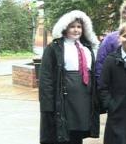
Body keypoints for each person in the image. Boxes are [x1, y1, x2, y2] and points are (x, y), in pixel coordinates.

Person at [39, 10, 100, 144]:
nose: (76, 30)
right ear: (65, 28)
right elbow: (46, 78)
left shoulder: (87, 48)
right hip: (64, 100)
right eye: (72, 26)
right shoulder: (55, 48)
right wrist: (47, 106)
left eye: (79, 27)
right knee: (62, 134)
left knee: (76, 135)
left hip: (83, 100)